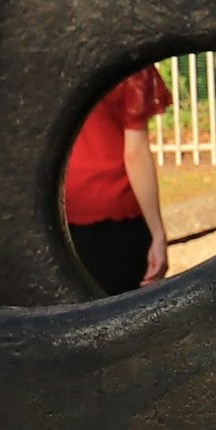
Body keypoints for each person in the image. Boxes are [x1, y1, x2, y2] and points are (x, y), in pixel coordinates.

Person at [61, 64, 172, 294]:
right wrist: (158, 234)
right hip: (116, 211)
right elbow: (135, 153)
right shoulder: (129, 66)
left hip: (59, 208)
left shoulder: (44, 61)